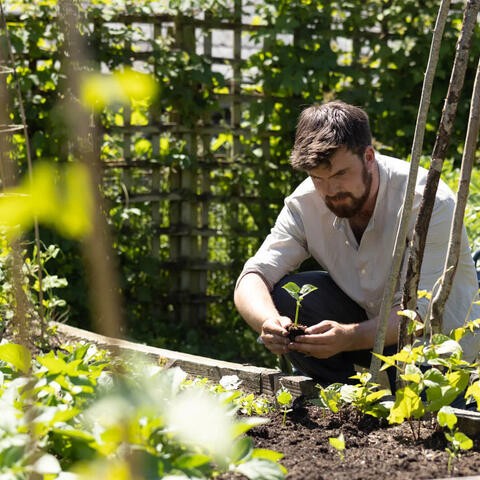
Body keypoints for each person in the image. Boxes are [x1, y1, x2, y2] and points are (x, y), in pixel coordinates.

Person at [234, 100, 480, 389]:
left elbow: (421, 315)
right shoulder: (305, 204)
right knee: (292, 296)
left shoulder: (428, 202)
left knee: (433, 424)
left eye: (340, 174)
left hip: (442, 349)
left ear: (369, 157)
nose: (330, 190)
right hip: (369, 329)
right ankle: (340, 406)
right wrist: (269, 322)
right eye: (317, 178)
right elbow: (254, 275)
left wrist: (348, 337)